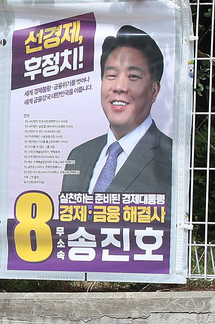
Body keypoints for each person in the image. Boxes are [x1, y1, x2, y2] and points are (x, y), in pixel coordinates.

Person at [61, 25, 173, 197]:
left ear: (154, 91)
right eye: (111, 75)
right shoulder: (78, 156)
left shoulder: (171, 157)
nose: (119, 87)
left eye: (133, 76)